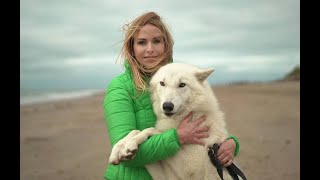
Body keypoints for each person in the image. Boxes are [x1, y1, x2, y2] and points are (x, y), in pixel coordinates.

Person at [103, 11, 240, 180]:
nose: (150, 49)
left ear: (166, 45)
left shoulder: (182, 78)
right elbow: (128, 158)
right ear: (132, 47)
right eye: (141, 42)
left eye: (157, 41)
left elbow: (207, 128)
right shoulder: (120, 88)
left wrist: (231, 144)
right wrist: (178, 137)